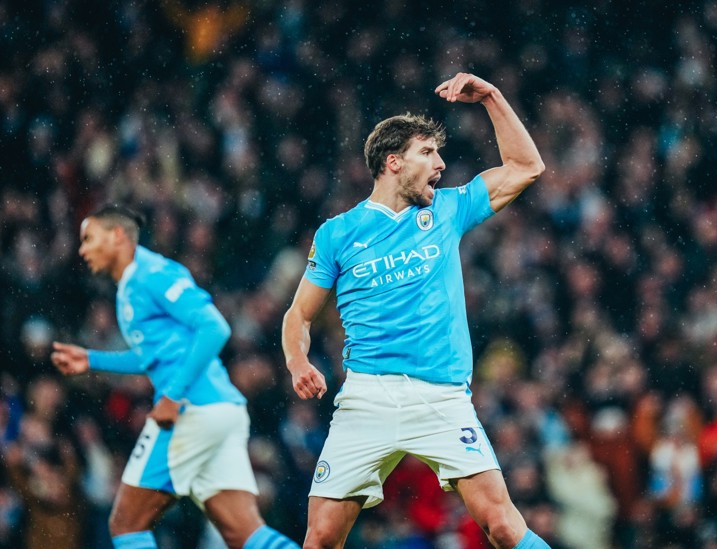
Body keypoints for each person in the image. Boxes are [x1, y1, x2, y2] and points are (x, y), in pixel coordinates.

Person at [281, 72, 549, 549]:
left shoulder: (448, 209)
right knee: (320, 539)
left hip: (441, 397)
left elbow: (527, 167)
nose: (441, 164)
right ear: (393, 162)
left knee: (505, 527)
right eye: (427, 153)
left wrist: (491, 97)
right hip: (366, 397)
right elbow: (298, 316)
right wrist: (298, 362)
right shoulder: (337, 234)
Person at [50, 204, 298, 549]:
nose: (82, 249)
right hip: (218, 410)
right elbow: (152, 358)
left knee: (126, 524)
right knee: (245, 534)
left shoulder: (153, 273)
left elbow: (214, 327)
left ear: (117, 236)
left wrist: (172, 396)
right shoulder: (128, 287)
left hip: (190, 411)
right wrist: (91, 359)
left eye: (89, 238)